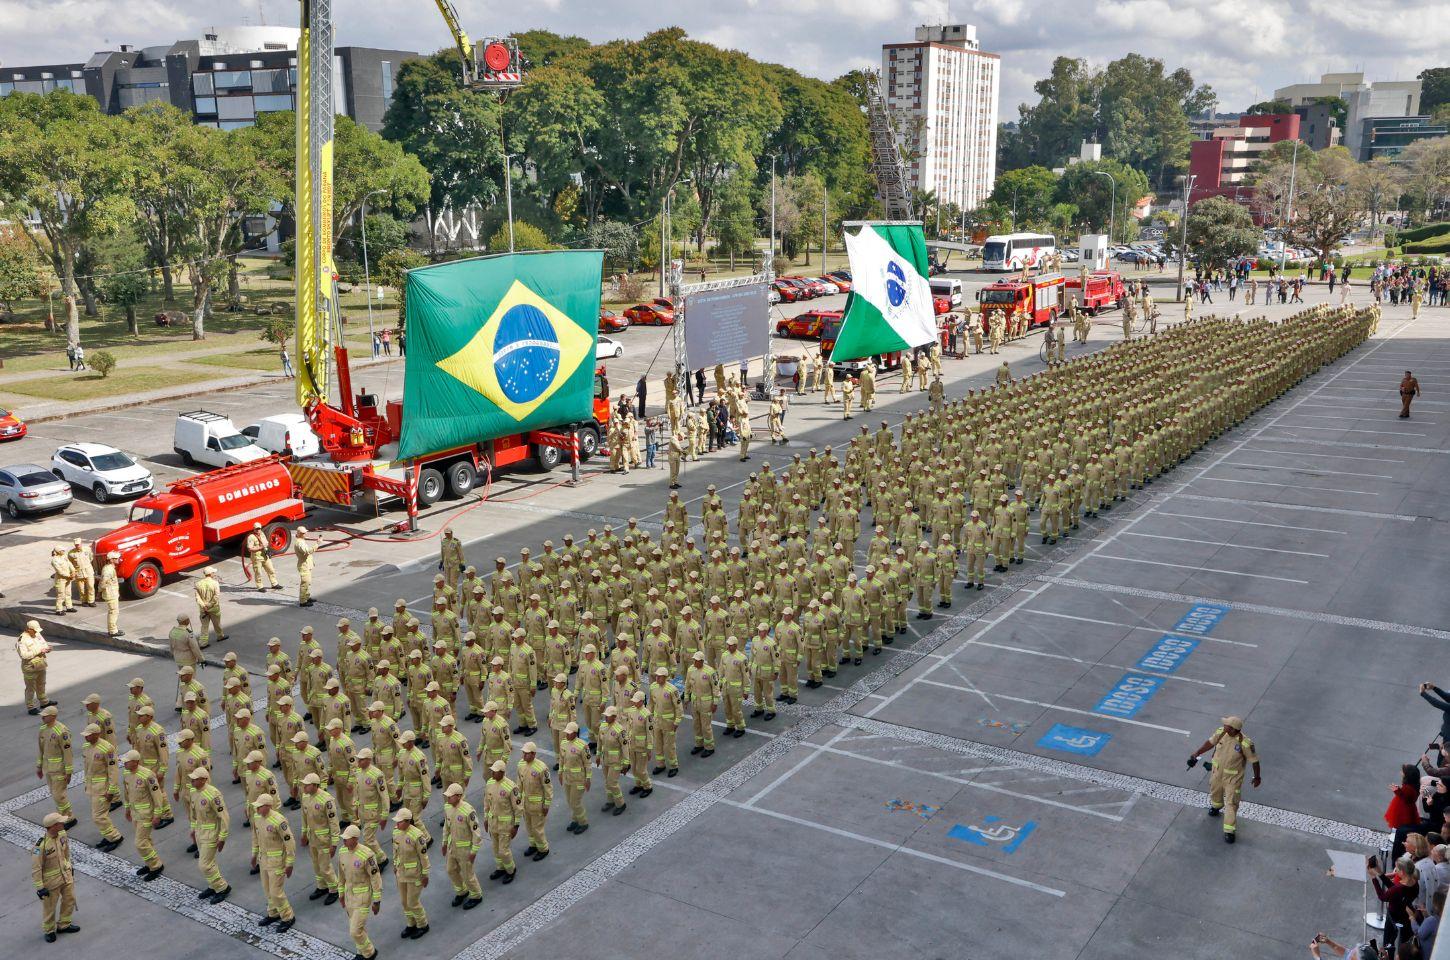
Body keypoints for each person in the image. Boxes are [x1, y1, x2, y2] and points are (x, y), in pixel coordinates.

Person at [1187, 715, 1261, 843]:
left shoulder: (1245, 743)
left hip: (1233, 779)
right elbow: (1210, 743)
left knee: (1231, 803)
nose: (1224, 725)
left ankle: (1229, 831)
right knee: (1215, 792)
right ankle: (1216, 806)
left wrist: (1257, 777)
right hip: (1216, 774)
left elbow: (1254, 761)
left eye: (1227, 725)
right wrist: (1198, 752)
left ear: (1233, 729)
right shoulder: (1221, 732)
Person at [32, 812, 79, 943]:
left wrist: (69, 866)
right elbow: (36, 868)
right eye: (60, 822)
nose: (63, 823)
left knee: (70, 899)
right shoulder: (40, 845)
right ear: (53, 826)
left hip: (66, 876)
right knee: (50, 907)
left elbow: (66, 853)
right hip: (51, 883)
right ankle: (49, 930)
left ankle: (64, 924)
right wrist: (40, 888)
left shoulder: (62, 834)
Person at [391, 806, 430, 940]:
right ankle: (411, 923)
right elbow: (395, 851)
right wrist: (395, 865)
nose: (397, 823)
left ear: (408, 821)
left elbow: (424, 857)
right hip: (401, 873)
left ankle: (422, 924)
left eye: (400, 821)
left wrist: (425, 874)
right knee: (404, 902)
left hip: (415, 874)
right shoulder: (396, 832)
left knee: (412, 902)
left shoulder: (417, 836)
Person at [16, 620, 53, 715]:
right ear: (29, 629)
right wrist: (40, 650)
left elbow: (44, 644)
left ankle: (44, 702)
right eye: (35, 630)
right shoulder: (22, 640)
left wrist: (47, 649)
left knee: (41, 684)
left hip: (41, 664)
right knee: (30, 688)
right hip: (30, 667)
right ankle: (31, 707)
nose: (37, 632)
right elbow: (24, 655)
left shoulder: (37, 634)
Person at [1387, 763, 1423, 831]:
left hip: (1402, 809)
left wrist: (1397, 791)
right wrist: (1399, 790)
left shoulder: (1408, 788)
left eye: (1403, 772)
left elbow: (1406, 799)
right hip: (1408, 808)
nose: (1401, 772)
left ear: (1407, 775)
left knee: (1400, 824)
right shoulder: (1414, 785)